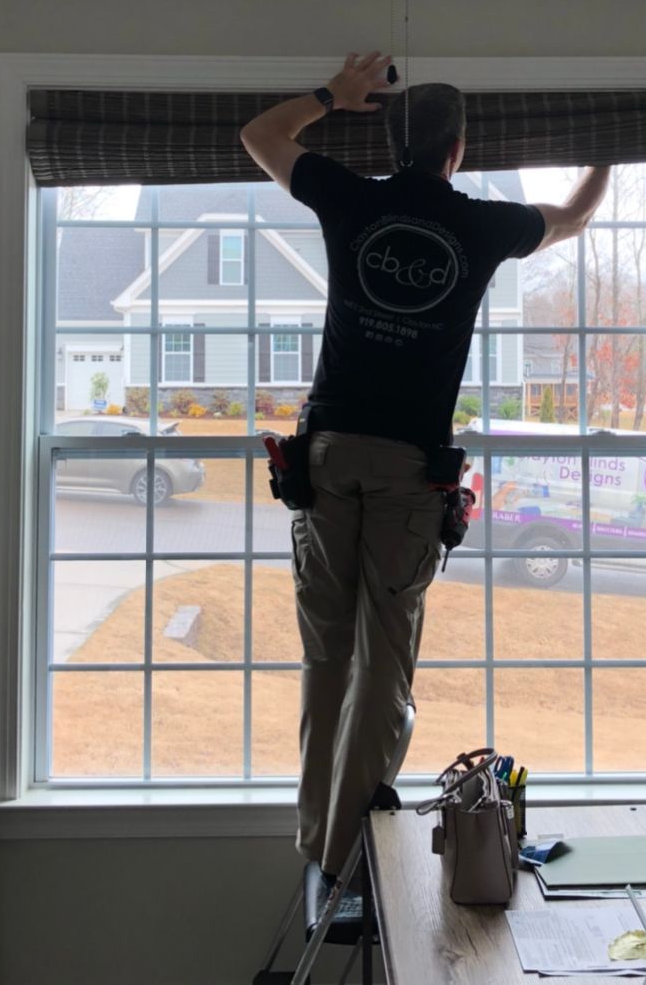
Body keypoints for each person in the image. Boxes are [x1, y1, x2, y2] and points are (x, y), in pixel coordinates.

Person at [241, 51, 610, 883]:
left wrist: (334, 95)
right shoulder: (483, 225)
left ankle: (317, 841)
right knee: (383, 661)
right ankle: (346, 854)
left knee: (326, 653)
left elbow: (260, 135)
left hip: (326, 457)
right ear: (457, 151)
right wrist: (606, 153)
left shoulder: (350, 197)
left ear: (391, 145)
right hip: (410, 469)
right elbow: (576, 217)